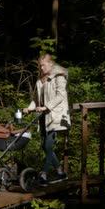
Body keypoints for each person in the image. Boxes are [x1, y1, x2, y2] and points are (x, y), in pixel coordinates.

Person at [23, 53, 70, 185]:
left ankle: (43, 174)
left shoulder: (59, 78)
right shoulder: (40, 81)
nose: (41, 68)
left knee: (48, 145)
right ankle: (61, 172)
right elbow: (36, 100)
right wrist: (29, 108)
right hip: (44, 117)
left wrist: (46, 107)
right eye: (40, 66)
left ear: (51, 64)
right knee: (45, 146)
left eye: (43, 65)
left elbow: (60, 96)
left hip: (56, 116)